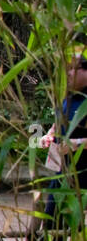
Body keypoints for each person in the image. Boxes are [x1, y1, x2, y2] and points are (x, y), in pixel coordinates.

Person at [38, 52, 87, 221]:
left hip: (83, 178)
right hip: (61, 174)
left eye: (72, 68)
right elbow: (57, 125)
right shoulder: (67, 98)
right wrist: (49, 135)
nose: (68, 73)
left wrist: (76, 143)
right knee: (51, 223)